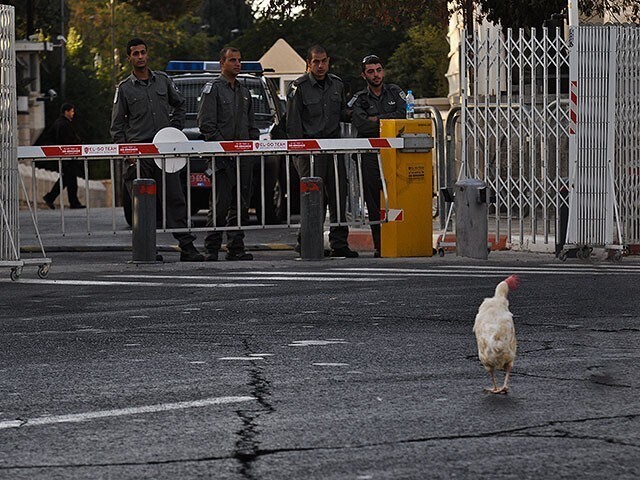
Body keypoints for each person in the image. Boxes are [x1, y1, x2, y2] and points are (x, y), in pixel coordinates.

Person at [110, 38, 204, 262]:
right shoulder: (124, 88)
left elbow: (179, 104)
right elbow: (117, 127)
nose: (140, 57)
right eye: (135, 53)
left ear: (147, 54)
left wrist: (175, 130)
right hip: (140, 156)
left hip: (165, 151)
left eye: (143, 52)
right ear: (129, 57)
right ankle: (147, 249)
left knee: (175, 199)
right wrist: (128, 155)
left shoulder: (162, 81)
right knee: (143, 206)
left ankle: (187, 247)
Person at [286, 45, 358, 258]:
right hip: (310, 152)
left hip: (334, 150)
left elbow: (343, 112)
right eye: (316, 61)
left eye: (324, 61)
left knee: (338, 195)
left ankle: (339, 243)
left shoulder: (336, 84)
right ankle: (306, 241)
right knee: (313, 198)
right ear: (308, 63)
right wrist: (299, 153)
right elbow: (293, 124)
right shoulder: (298, 88)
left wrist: (359, 112)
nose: (320, 65)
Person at [197, 47, 260, 261]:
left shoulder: (243, 91)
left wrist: (251, 144)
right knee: (220, 205)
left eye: (239, 60)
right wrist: (222, 149)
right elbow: (206, 124)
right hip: (221, 158)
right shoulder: (213, 89)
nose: (237, 64)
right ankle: (212, 248)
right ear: (222, 63)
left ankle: (236, 247)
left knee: (241, 205)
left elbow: (251, 124)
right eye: (232, 60)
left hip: (243, 158)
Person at [350, 55, 406, 257]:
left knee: (399, 196)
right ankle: (380, 244)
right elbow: (361, 124)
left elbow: (402, 115)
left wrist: (377, 120)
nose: (376, 75)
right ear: (364, 74)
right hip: (370, 156)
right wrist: (385, 123)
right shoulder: (360, 98)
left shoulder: (395, 91)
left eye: (379, 70)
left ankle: (401, 238)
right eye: (371, 71)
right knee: (373, 200)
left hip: (394, 153)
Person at [42, 103, 85, 209]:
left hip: (64, 157)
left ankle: (50, 197)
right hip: (67, 157)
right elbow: (68, 140)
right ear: (66, 111)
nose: (73, 113)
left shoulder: (59, 123)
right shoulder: (64, 124)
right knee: (71, 181)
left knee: (66, 179)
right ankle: (73, 202)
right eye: (71, 111)